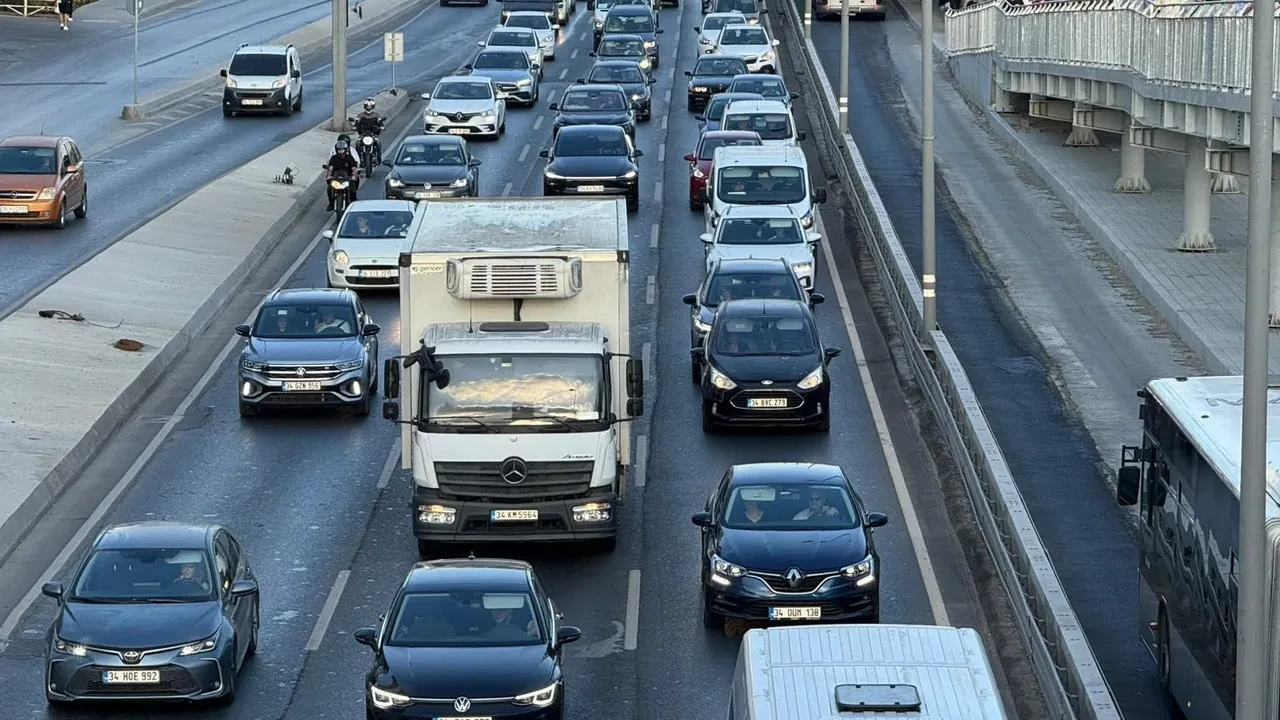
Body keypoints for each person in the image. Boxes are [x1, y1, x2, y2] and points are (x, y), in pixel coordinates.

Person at [324, 141, 359, 211]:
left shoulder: (349, 158)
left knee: (352, 189)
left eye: (342, 149)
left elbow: (354, 168)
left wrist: (354, 175)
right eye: (339, 150)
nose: (340, 151)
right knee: (329, 189)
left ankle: (353, 202)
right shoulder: (333, 158)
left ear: (345, 150)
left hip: (347, 178)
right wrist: (329, 175)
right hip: (336, 178)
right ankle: (331, 203)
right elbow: (330, 168)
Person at [353, 98, 385, 164]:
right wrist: (354, 127)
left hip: (373, 134)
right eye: (367, 106)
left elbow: (380, 122)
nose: (368, 108)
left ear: (373, 106)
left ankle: (379, 158)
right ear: (365, 106)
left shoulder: (376, 115)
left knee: (378, 142)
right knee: (358, 143)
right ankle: (358, 160)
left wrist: (381, 126)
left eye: (370, 106)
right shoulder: (360, 115)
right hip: (363, 134)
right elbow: (357, 122)